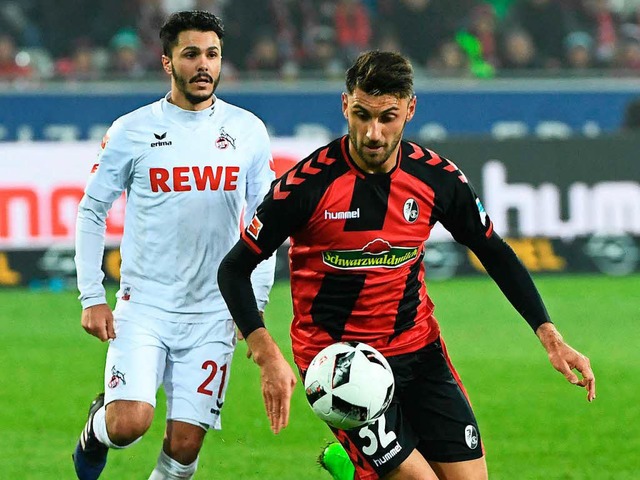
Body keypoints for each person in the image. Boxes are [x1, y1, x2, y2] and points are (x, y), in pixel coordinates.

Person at [217, 50, 596, 480]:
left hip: (418, 348)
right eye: (361, 115)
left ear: (410, 110)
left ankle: (355, 468)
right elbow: (233, 269)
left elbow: (493, 249)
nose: (373, 133)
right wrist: (266, 353)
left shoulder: (437, 178)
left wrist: (549, 335)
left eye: (388, 117)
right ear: (345, 105)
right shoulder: (304, 187)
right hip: (341, 360)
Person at [72, 10, 276, 480]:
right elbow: (92, 209)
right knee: (129, 425)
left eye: (212, 54)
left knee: (183, 452)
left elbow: (265, 226)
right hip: (144, 305)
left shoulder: (247, 131)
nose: (203, 65)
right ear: (167, 62)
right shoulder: (133, 130)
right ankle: (95, 429)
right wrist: (91, 296)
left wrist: (254, 309)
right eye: (190, 55)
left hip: (213, 313)